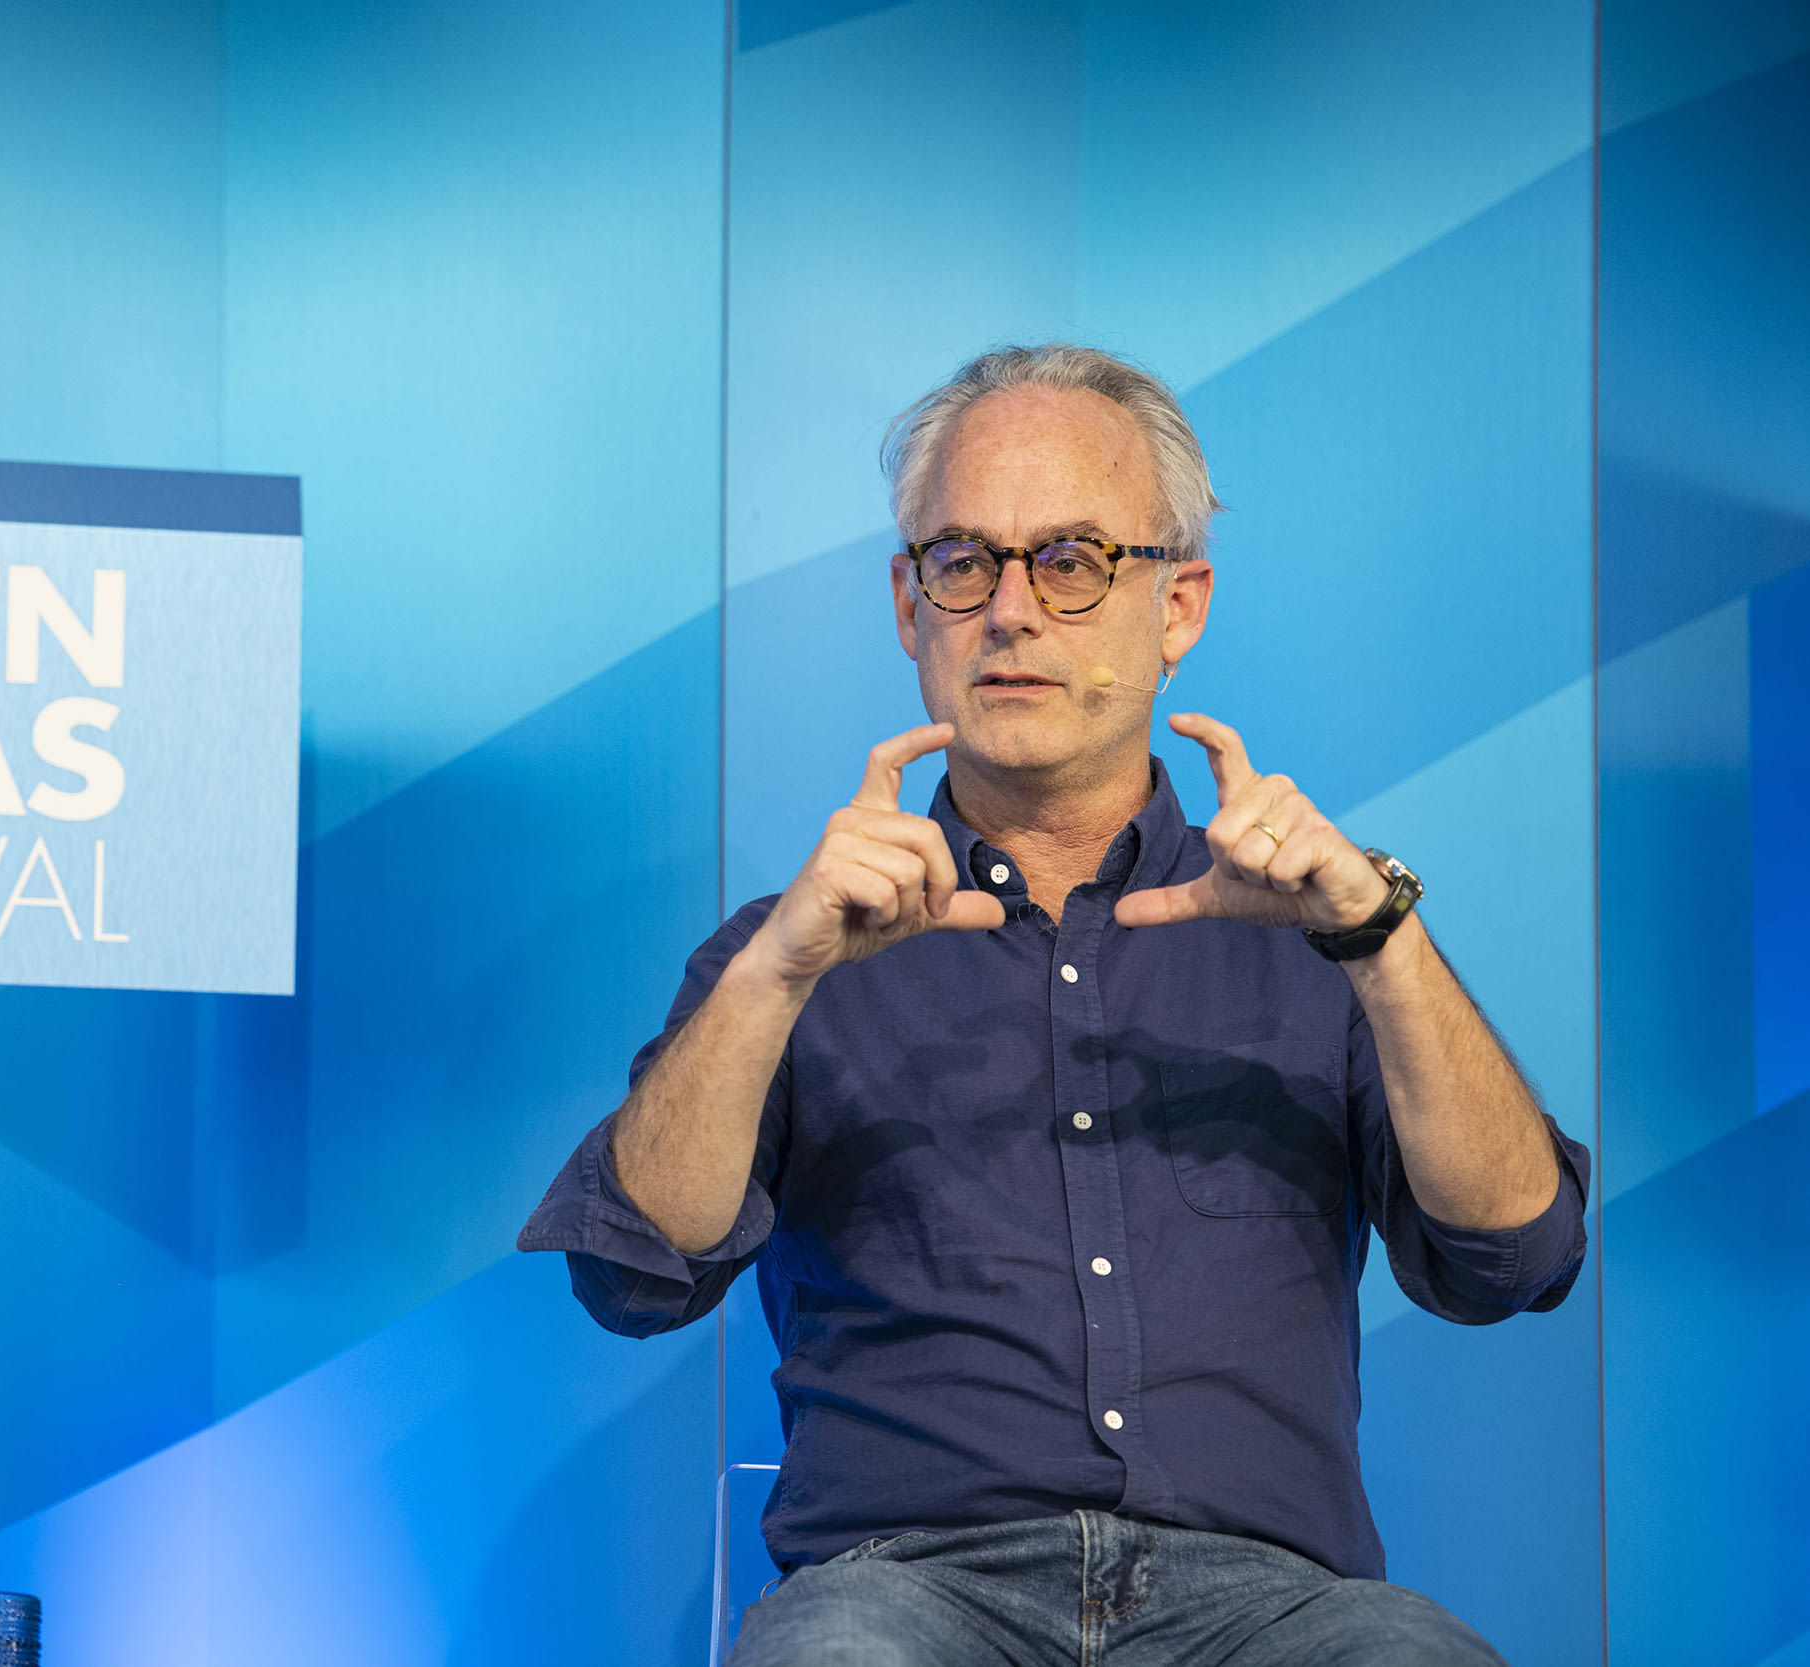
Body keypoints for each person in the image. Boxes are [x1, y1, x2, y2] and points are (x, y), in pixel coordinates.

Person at [517, 344, 1588, 1665]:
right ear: (908, 607)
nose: (1010, 610)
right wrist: (779, 975)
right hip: (908, 1594)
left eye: (1073, 561)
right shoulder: (788, 953)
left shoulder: (1326, 937)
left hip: (1270, 1611)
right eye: (963, 562)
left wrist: (1377, 935)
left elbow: (1516, 1257)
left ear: (1178, 606)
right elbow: (633, 1274)